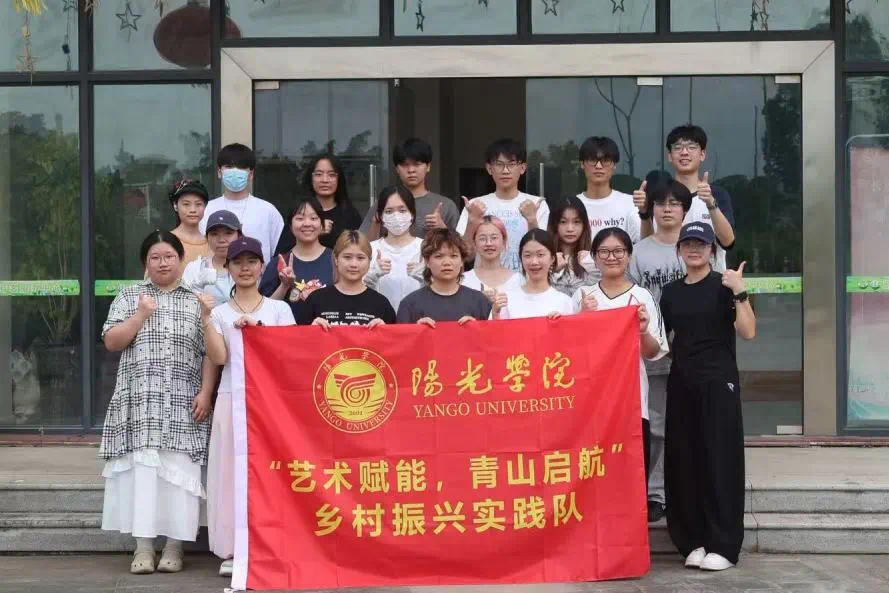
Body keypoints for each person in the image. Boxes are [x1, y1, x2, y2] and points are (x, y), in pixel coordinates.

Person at [99, 230, 214, 575]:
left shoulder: (196, 301)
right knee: (144, 475)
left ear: (181, 260)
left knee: (180, 474)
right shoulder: (129, 296)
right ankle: (144, 547)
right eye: (155, 257)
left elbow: (209, 353)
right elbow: (112, 342)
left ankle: (175, 546)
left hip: (184, 401)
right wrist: (140, 316)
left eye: (169, 256)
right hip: (140, 401)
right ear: (145, 263)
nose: (163, 263)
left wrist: (206, 392)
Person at [660, 222, 755, 572]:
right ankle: (694, 540)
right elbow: (667, 340)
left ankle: (723, 544)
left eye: (701, 244)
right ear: (679, 250)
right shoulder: (670, 292)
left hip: (718, 383)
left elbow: (748, 331)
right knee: (685, 461)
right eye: (688, 243)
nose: (694, 249)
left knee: (720, 460)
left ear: (712, 250)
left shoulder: (724, 285)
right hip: (682, 383)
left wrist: (740, 292)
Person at [201, 236, 294, 577]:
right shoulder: (219, 312)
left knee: (272, 473)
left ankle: (272, 543)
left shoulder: (279, 310)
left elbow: (289, 356)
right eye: (238, 262)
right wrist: (206, 319)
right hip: (231, 399)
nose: (245, 268)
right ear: (227, 268)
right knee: (230, 473)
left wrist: (260, 332)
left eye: (252, 262)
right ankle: (233, 548)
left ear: (262, 267)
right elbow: (218, 357)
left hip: (270, 403)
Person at [573, 227, 668, 501]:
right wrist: (582, 318)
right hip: (590, 402)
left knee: (630, 474)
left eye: (618, 251)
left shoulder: (642, 297)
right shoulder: (583, 296)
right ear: (594, 257)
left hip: (632, 400)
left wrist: (642, 330)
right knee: (592, 475)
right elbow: (568, 351)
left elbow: (653, 352)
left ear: (629, 256)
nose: (611, 257)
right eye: (604, 251)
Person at [627, 177, 692, 523]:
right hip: (651, 349)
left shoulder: (696, 246)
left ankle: (679, 489)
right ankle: (655, 493)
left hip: (690, 351)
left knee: (687, 423)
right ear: (650, 209)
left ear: (685, 210)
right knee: (655, 425)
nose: (667, 209)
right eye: (660, 203)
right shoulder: (639, 251)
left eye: (674, 203)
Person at [637, 125, 736, 271]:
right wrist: (644, 213)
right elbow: (647, 245)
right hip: (667, 279)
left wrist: (710, 203)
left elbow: (728, 242)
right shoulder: (658, 195)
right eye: (677, 148)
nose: (684, 152)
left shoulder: (717, 195)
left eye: (692, 147)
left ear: (702, 154)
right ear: (669, 156)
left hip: (710, 281)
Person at [456, 138, 550, 273]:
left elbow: (543, 252)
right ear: (489, 168)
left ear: (523, 168)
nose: (505, 170)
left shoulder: (536, 204)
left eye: (512, 164)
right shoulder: (475, 206)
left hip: (526, 280)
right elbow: (465, 256)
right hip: (485, 280)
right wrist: (472, 221)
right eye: (499, 164)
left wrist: (531, 219)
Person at [200, 143, 284, 263]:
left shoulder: (268, 211)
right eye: (229, 166)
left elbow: (280, 256)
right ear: (219, 172)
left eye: (241, 167)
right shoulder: (205, 210)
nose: (235, 171)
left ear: (251, 174)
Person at [360, 138, 459, 239]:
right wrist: (376, 222)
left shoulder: (446, 206)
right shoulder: (384, 203)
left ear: (428, 166)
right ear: (397, 169)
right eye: (404, 165)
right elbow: (363, 245)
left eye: (417, 164)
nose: (411, 170)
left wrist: (442, 229)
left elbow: (462, 247)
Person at [299, 231, 396, 328]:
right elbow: (298, 336)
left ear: (369, 261)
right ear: (336, 259)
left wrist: (384, 331)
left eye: (360, 258)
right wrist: (311, 330)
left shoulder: (381, 303)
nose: (353, 264)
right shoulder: (316, 299)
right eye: (347, 257)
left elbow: (396, 336)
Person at [397, 228, 491, 325]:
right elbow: (401, 334)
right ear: (427, 261)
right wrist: (417, 330)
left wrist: (476, 329)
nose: (447, 262)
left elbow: (492, 333)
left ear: (462, 261)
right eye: (439, 256)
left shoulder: (479, 301)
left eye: (453, 256)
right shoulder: (410, 304)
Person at [260, 196, 334, 320]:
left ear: (322, 225)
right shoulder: (279, 263)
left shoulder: (337, 260)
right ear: (290, 226)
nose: (307, 224)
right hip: (289, 332)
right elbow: (264, 313)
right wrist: (284, 286)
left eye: (313, 218)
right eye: (300, 218)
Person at [363, 186, 424, 312]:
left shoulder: (426, 248)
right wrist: (371, 277)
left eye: (402, 210)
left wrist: (427, 280)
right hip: (380, 320)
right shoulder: (370, 249)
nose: (396, 216)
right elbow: (354, 291)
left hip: (418, 320)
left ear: (412, 213)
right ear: (380, 216)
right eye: (389, 211)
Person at [491, 229, 574, 320]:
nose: (534, 262)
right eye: (528, 255)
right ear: (521, 259)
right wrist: (495, 316)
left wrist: (559, 323)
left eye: (540, 254)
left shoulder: (564, 302)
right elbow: (494, 329)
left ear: (552, 259)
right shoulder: (506, 301)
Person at [576, 136, 641, 245]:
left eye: (605, 160)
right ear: (582, 164)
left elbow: (643, 243)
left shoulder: (630, 204)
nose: (598, 166)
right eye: (592, 160)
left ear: (614, 165)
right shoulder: (573, 205)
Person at [301, 153, 362, 250]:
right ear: (310, 178)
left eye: (331, 175)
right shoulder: (299, 212)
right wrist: (314, 232)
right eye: (318, 174)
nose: (325, 180)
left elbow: (361, 251)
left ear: (339, 179)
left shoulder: (350, 214)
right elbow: (283, 252)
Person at [181, 210, 242, 305]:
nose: (221, 240)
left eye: (228, 233)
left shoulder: (250, 268)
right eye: (214, 234)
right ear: (207, 238)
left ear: (239, 235)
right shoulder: (194, 269)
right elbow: (183, 303)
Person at [461, 215, 522, 294]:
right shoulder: (464, 280)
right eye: (482, 238)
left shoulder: (519, 280)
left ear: (504, 241)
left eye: (494, 238)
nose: (489, 243)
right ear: (474, 243)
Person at [548, 196, 596, 295]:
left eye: (576, 222)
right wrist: (553, 270)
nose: (570, 228)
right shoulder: (543, 257)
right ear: (554, 224)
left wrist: (590, 264)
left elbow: (601, 290)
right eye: (563, 222)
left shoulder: (594, 257)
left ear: (584, 225)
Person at [168, 179, 211, 265]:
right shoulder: (166, 241)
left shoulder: (212, 244)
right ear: (175, 206)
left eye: (198, 204)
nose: (193, 210)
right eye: (186, 204)